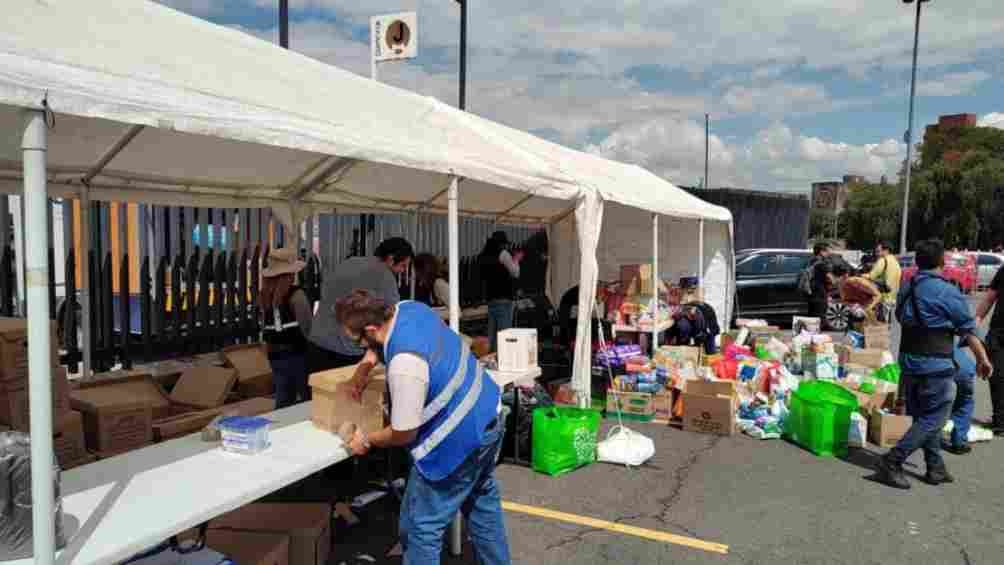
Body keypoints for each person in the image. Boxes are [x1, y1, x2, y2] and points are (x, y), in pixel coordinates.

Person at [336, 291, 510, 564]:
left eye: (358, 342)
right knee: (481, 504)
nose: (361, 348)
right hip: (489, 415)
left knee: (421, 528)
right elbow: (376, 347)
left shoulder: (405, 364)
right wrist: (363, 370)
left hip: (458, 441)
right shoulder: (408, 309)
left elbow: (404, 432)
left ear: (371, 329)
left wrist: (366, 439)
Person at [874, 239, 993, 490]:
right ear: (941, 262)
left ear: (917, 261)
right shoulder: (947, 291)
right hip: (934, 365)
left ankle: (934, 466)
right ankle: (892, 461)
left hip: (908, 361)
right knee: (934, 418)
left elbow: (899, 316)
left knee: (922, 415)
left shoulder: (907, 286)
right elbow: (969, 330)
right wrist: (982, 359)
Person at [308, 237, 414, 374]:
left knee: (317, 393)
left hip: (317, 341)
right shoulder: (384, 275)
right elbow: (393, 315)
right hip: (346, 351)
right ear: (391, 258)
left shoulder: (349, 262)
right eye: (403, 265)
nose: (403, 271)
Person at [260, 247, 313, 408]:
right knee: (306, 397)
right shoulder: (297, 296)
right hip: (297, 353)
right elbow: (307, 327)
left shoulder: (264, 296)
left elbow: (265, 325)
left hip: (274, 354)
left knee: (283, 397)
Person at [479, 231, 522, 350]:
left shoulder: (484, 255)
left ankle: (492, 359)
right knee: (504, 334)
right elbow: (515, 273)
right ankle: (503, 361)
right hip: (503, 298)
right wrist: (517, 259)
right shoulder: (503, 254)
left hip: (490, 299)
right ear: (502, 244)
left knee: (492, 335)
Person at [975, 260, 1004, 434]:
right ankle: (1000, 421)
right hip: (999, 333)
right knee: (997, 376)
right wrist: (976, 320)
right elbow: (989, 298)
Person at [944, 342, 977, 455]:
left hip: (928, 363)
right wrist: (983, 359)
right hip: (960, 367)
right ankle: (959, 441)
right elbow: (971, 335)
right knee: (965, 401)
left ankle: (924, 438)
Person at [868, 242, 901, 321]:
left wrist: (860, 275)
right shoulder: (896, 262)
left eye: (878, 251)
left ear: (886, 250)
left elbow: (871, 276)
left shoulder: (883, 260)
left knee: (880, 325)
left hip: (883, 298)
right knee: (888, 325)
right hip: (893, 298)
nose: (877, 254)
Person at [805, 243, 831, 319]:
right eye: (827, 251)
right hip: (819, 292)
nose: (829, 253)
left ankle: (810, 330)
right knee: (819, 316)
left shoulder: (811, 261)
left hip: (810, 291)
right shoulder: (821, 263)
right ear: (821, 252)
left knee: (812, 314)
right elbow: (830, 277)